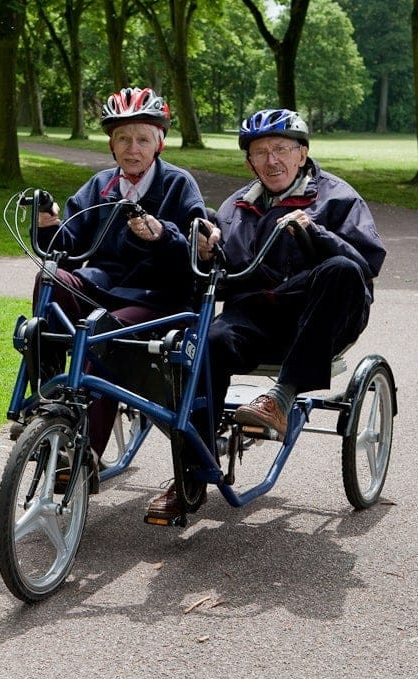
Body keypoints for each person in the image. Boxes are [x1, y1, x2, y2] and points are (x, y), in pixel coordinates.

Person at [146, 108, 387, 519]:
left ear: (302, 153)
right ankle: (192, 471)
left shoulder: (338, 197)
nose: (272, 160)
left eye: (281, 149)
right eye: (261, 152)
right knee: (209, 342)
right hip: (258, 315)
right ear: (249, 162)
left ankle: (282, 396)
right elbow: (220, 279)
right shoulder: (236, 206)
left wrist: (316, 232)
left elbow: (366, 264)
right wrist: (207, 253)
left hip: (321, 316)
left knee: (340, 268)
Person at [30, 86, 207, 473]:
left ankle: (86, 451)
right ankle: (50, 397)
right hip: (102, 287)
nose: (132, 148)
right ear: (111, 145)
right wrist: (49, 225)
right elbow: (68, 245)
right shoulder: (101, 186)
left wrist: (162, 234)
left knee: (103, 335)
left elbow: (199, 251)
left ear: (159, 143)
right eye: (123, 139)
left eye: (142, 139)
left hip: (159, 297)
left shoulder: (178, 184)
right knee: (51, 278)